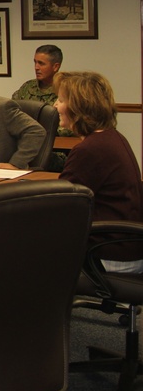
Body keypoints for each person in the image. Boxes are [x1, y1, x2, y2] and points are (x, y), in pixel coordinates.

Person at [55, 71, 143, 272]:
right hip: (126, 246)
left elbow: (60, 205)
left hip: (108, 252)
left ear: (78, 107)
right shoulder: (112, 137)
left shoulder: (90, 149)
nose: (55, 106)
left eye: (61, 100)